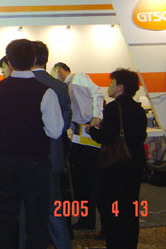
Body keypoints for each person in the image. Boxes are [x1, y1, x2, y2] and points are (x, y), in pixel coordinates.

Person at [0, 39, 63, 249]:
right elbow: (55, 131)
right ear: (34, 59)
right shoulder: (46, 91)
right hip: (36, 163)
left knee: (6, 217)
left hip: (7, 162)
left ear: (9, 62)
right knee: (36, 220)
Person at [87, 69, 147, 249]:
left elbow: (105, 137)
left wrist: (92, 130)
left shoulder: (113, 107)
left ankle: (116, 242)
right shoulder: (139, 108)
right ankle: (130, 243)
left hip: (116, 165)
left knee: (113, 206)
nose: (109, 87)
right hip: (135, 163)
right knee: (131, 205)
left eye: (111, 83)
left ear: (120, 87)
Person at [53, 62, 105, 233]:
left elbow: (97, 92)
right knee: (80, 182)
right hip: (78, 136)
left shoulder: (78, 78)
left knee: (94, 181)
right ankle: (86, 219)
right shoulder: (66, 86)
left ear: (59, 70)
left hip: (89, 134)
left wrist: (96, 116)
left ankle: (103, 224)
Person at [32, 41, 72, 249]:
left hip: (28, 157)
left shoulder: (21, 85)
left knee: (27, 210)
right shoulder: (61, 87)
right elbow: (64, 123)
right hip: (53, 154)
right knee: (55, 207)